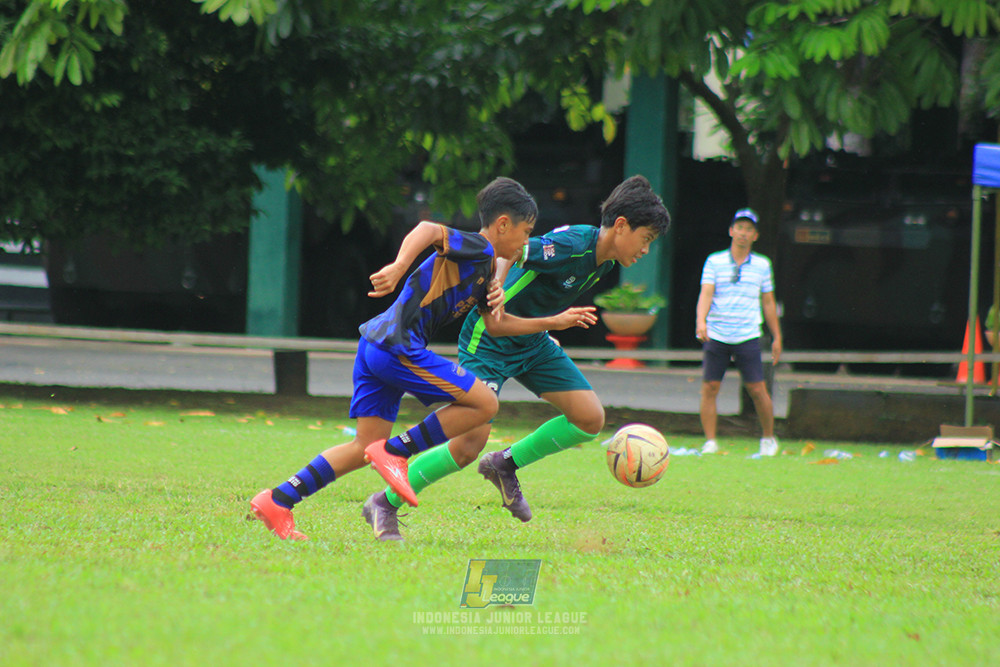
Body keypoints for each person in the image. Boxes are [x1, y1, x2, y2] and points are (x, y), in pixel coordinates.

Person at [249, 176, 598, 540]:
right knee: (484, 403)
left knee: (362, 447)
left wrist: (552, 321)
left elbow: (496, 326)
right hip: (397, 347)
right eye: (526, 232)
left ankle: (278, 500)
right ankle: (398, 453)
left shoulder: (485, 271)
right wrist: (399, 267)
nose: (527, 242)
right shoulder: (479, 247)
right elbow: (428, 229)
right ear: (503, 225)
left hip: (375, 345)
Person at [365, 175, 671, 538]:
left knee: (589, 418)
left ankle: (504, 465)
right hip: (490, 343)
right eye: (646, 239)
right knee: (467, 446)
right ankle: (384, 502)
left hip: (533, 341)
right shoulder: (572, 244)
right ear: (621, 226)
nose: (646, 250)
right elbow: (511, 249)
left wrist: (546, 329)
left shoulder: (605, 260)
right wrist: (494, 286)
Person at [695, 207, 782, 456]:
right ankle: (710, 441)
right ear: (732, 231)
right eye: (740, 228)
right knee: (710, 387)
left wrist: (776, 336)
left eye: (749, 229)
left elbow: (768, 301)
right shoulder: (714, 261)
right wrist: (701, 321)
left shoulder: (763, 265)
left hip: (748, 335)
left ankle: (768, 438)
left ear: (755, 235)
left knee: (757, 389)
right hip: (717, 333)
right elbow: (706, 293)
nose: (743, 234)